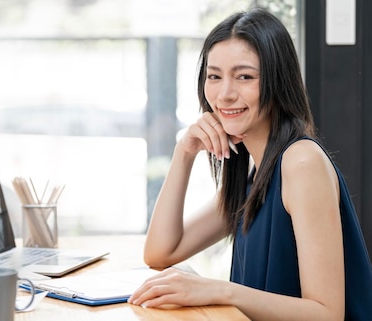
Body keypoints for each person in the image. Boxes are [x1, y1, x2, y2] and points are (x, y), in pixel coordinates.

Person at [128, 7, 372, 320]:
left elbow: (326, 314)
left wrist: (218, 289)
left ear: (277, 82)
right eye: (214, 76)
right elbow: (161, 253)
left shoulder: (300, 162)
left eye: (244, 76)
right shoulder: (255, 170)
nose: (225, 94)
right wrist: (185, 152)